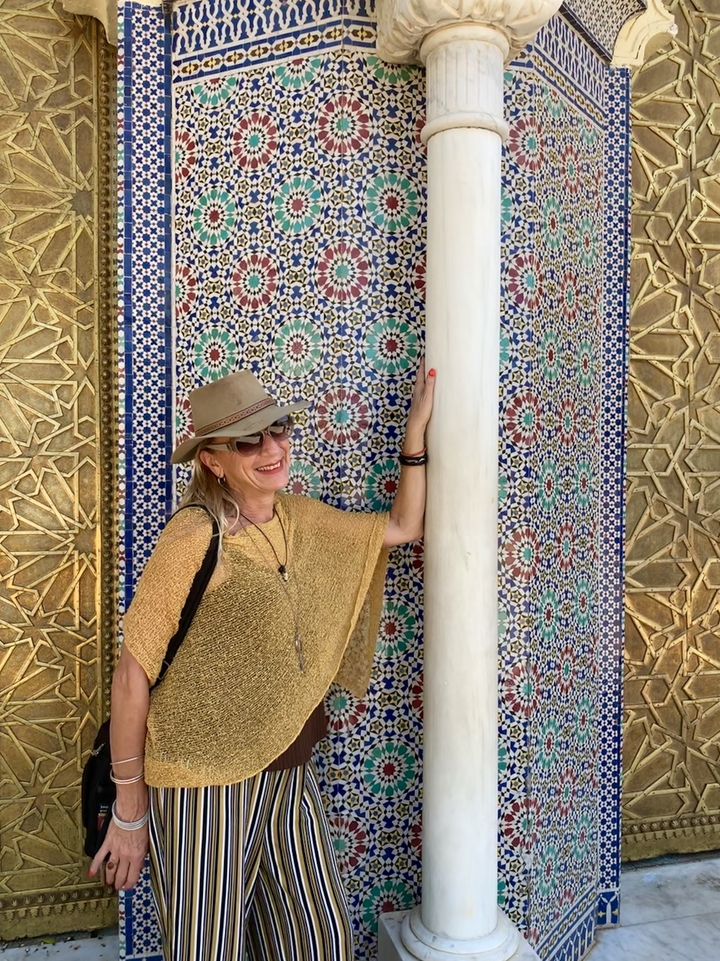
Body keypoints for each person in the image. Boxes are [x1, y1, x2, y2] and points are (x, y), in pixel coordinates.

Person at [90, 364, 435, 961]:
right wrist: (128, 810)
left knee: (319, 941)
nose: (272, 448)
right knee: (208, 947)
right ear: (213, 461)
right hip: (204, 786)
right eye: (248, 440)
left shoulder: (300, 519)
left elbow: (402, 527)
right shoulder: (194, 538)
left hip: (287, 771)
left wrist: (415, 435)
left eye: (278, 428)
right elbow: (131, 675)